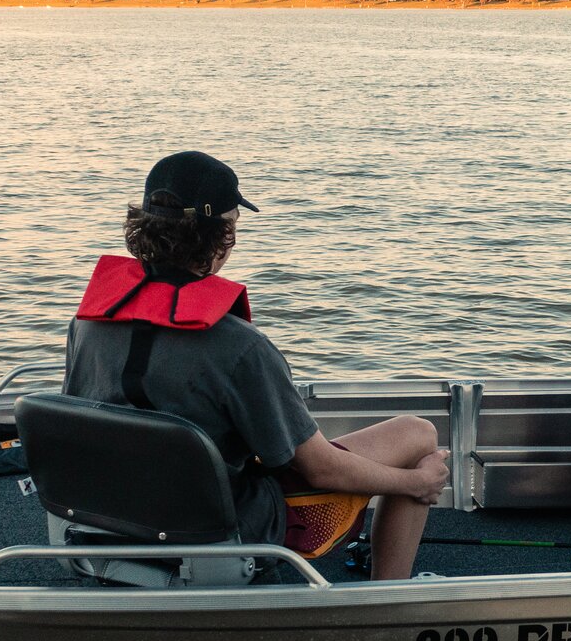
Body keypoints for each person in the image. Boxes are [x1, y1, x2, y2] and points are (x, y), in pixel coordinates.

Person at [62, 150, 448, 580]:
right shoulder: (238, 347)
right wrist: (417, 484)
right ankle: (387, 599)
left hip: (112, 520)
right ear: (223, 236)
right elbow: (319, 468)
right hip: (227, 529)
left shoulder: (89, 324)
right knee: (419, 435)